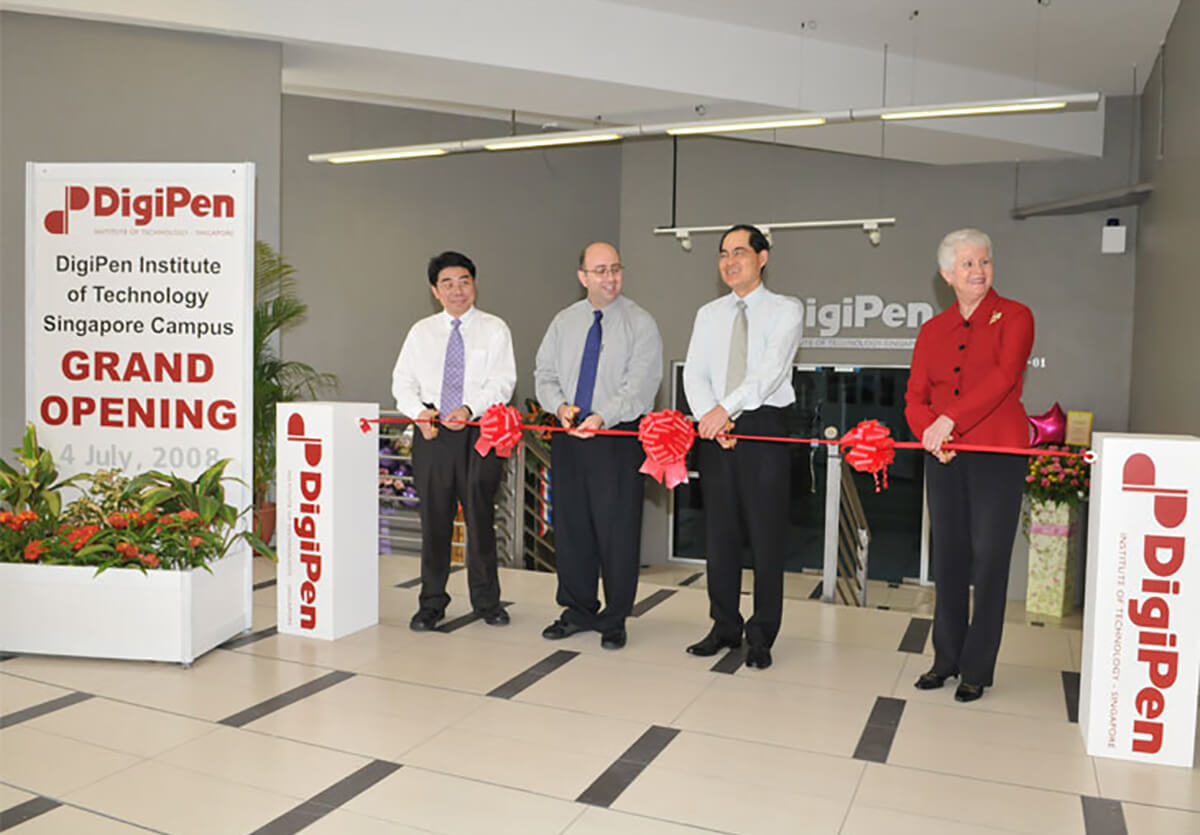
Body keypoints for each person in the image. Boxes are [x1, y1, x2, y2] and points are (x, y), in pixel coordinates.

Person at [905, 228, 1034, 702]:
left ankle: (978, 667)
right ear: (947, 275)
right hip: (944, 456)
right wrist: (929, 432)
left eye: (984, 262)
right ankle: (946, 659)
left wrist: (947, 422)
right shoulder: (931, 330)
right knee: (950, 557)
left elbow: (1003, 378)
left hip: (997, 454)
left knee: (990, 557)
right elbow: (914, 396)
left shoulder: (1016, 316)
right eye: (968, 264)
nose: (979, 271)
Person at [682, 224, 803, 670]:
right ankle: (724, 626)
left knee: (766, 536)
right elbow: (693, 373)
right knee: (721, 534)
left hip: (763, 423)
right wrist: (710, 416)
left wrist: (726, 411)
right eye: (723, 254)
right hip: (715, 426)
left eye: (740, 252)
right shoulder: (708, 314)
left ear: (762, 257)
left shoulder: (786, 310)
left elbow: (768, 374)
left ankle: (762, 633)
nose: (730, 261)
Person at [534, 241, 663, 650]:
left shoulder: (640, 323)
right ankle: (577, 609)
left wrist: (602, 415)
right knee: (572, 527)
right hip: (570, 437)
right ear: (582, 277)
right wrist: (559, 407)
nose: (610, 278)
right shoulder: (563, 322)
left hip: (617, 437)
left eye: (615, 269)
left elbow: (640, 385)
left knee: (617, 529)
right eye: (600, 270)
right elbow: (544, 374)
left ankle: (615, 616)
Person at [392, 251, 517, 631]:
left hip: (479, 433)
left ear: (474, 283)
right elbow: (402, 383)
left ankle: (487, 601)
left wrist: (469, 409)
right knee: (434, 522)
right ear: (435, 290)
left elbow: (502, 382)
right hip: (433, 433)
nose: (457, 289)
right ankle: (431, 603)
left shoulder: (495, 329)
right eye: (447, 283)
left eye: (464, 280)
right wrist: (418, 413)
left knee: (480, 518)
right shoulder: (421, 332)